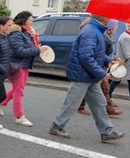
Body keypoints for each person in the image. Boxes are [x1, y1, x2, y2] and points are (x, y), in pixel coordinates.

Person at [49, 14, 125, 143]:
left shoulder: (95, 30)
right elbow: (86, 58)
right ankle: (57, 126)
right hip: (82, 75)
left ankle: (106, 131)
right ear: (103, 19)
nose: (111, 19)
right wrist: (101, 73)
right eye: (109, 17)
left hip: (89, 76)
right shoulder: (91, 32)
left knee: (99, 103)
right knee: (72, 103)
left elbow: (97, 54)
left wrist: (109, 61)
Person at [0, 11, 47, 127]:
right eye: (30, 20)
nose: (32, 22)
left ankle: (1, 104)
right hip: (16, 65)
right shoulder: (17, 33)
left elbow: (27, 48)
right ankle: (19, 116)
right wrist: (38, 50)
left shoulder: (27, 32)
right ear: (24, 20)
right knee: (19, 91)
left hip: (23, 65)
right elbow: (19, 51)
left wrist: (37, 49)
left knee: (17, 89)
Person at [78, 19, 123, 117]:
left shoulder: (106, 37)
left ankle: (108, 109)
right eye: (116, 26)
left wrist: (112, 59)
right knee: (94, 89)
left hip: (100, 67)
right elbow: (93, 55)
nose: (117, 28)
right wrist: (102, 69)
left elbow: (103, 54)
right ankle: (79, 107)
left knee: (102, 89)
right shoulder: (102, 38)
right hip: (97, 68)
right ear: (111, 27)